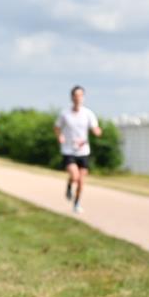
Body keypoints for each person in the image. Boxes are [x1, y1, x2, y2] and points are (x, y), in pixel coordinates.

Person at [55, 86, 102, 214]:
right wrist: (60, 136)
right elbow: (57, 127)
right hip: (69, 150)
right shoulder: (65, 114)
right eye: (76, 95)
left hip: (83, 151)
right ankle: (69, 185)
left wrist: (97, 131)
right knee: (75, 177)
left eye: (80, 95)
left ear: (83, 97)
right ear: (72, 97)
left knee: (81, 181)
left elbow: (95, 128)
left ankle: (76, 203)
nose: (78, 98)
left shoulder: (88, 113)